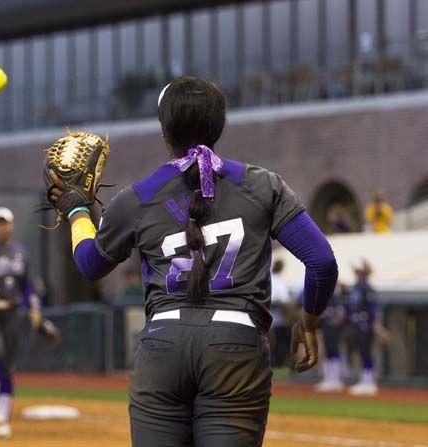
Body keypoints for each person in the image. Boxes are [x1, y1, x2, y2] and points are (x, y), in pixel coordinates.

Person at [47, 76, 338, 446]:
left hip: (163, 345)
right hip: (236, 346)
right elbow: (322, 262)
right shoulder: (263, 185)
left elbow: (89, 264)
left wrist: (76, 211)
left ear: (164, 130)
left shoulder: (136, 198)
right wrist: (309, 321)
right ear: (220, 126)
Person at [0, 207, 42, 438]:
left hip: (13, 311)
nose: (2, 227)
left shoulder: (21, 253)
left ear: (11, 224)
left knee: (9, 363)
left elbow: (28, 286)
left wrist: (34, 309)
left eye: (6, 222)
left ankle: (2, 416)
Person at [346, 258, 378, 396]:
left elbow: (371, 309)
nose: (356, 272)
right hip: (356, 323)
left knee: (366, 351)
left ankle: (369, 382)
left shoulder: (366, 287)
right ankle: (364, 380)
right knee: (360, 351)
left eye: (358, 270)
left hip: (365, 323)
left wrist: (374, 325)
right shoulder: (356, 286)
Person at [315, 282, 349, 392]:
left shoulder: (337, 299)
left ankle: (335, 379)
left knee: (334, 351)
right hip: (327, 328)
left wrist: (334, 324)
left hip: (334, 329)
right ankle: (328, 378)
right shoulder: (326, 300)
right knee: (328, 352)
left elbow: (341, 315)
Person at [269, 259, 296, 369]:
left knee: (280, 344)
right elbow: (280, 300)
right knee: (279, 344)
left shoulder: (276, 280)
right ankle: (278, 365)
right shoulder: (274, 280)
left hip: (279, 320)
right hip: (277, 319)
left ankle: (280, 365)